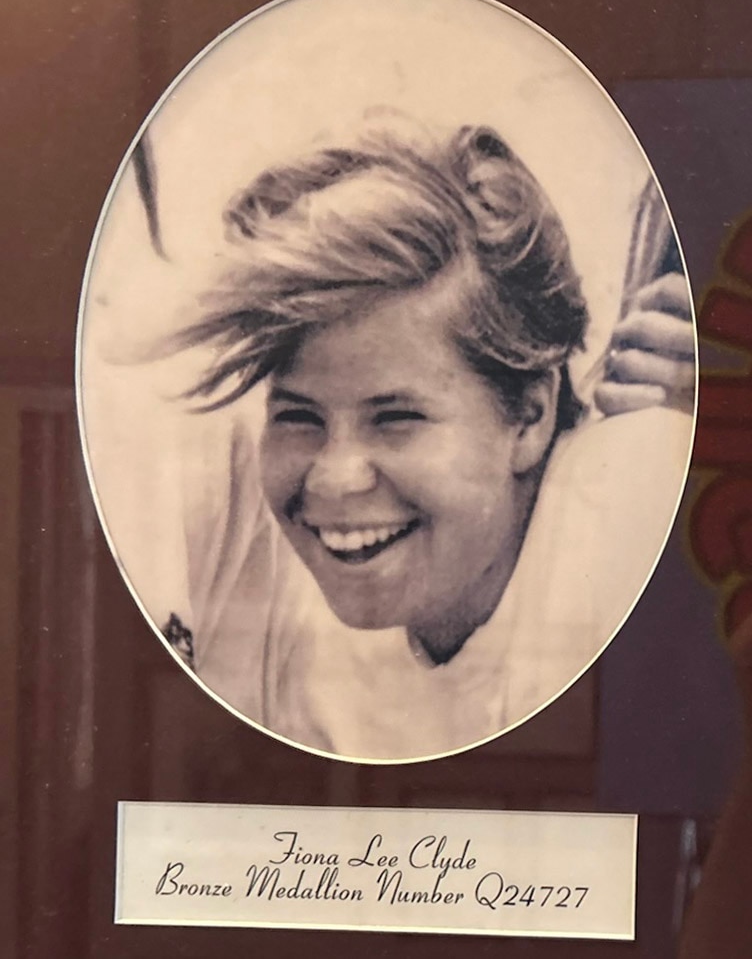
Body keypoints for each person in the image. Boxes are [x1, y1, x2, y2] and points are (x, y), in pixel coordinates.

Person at [129, 118, 695, 760]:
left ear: (531, 417)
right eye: (298, 417)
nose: (334, 478)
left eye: (396, 418)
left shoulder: (633, 507)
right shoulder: (282, 615)